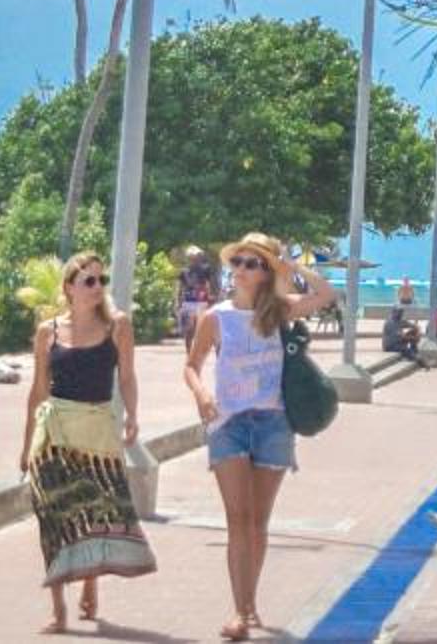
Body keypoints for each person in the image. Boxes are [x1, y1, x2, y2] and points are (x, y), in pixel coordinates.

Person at [185, 232, 337, 642]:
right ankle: (240, 610)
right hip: (229, 424)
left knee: (258, 521)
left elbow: (326, 294)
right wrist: (201, 394)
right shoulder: (215, 317)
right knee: (237, 519)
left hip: (273, 423)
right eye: (238, 262)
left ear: (266, 272)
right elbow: (192, 365)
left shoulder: (280, 310)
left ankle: (250, 604)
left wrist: (291, 266)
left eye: (253, 264)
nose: (242, 270)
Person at [19, 250, 155, 632]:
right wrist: (25, 443)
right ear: (69, 288)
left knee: (97, 510)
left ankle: (91, 579)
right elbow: (38, 389)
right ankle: (59, 609)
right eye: (89, 281)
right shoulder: (48, 331)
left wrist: (132, 415)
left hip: (96, 429)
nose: (98, 287)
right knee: (54, 515)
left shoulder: (118, 326)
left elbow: (126, 377)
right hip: (53, 432)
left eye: (101, 280)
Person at [175, 247, 218, 341]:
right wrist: (178, 301)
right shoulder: (184, 271)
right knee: (189, 329)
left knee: (201, 327)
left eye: (197, 257)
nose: (194, 259)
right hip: (188, 301)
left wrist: (211, 297)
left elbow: (210, 284)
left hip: (201, 301)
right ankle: (189, 353)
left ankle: (198, 350)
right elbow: (180, 287)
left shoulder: (205, 269)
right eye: (192, 257)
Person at [381, 282, 424, 364]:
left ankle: (415, 350)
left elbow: (414, 326)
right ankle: (416, 359)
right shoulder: (391, 323)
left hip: (398, 341)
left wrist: (417, 331)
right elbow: (402, 337)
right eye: (399, 313)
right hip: (390, 345)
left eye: (401, 313)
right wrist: (414, 338)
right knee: (405, 349)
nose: (400, 315)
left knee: (413, 332)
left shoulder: (400, 321)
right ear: (395, 313)